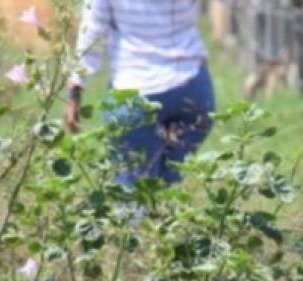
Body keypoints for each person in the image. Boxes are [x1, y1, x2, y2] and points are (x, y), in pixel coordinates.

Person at [65, 0, 215, 185]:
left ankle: (145, 207)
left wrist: (75, 91)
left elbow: (93, 30)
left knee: (132, 192)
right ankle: (165, 202)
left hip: (133, 93)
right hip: (192, 90)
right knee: (170, 185)